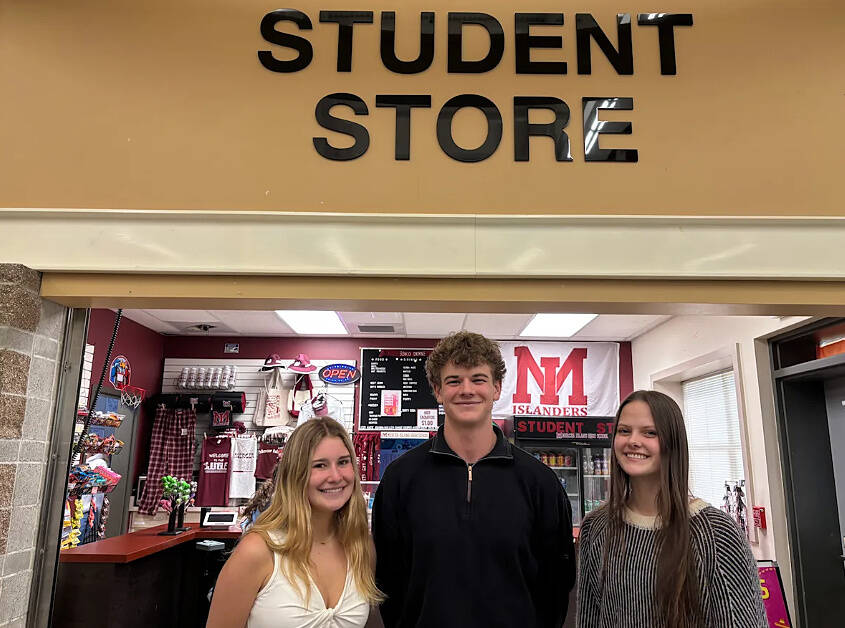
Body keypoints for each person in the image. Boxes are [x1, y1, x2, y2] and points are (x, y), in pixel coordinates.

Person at [373, 331, 576, 628]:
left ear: (496, 388)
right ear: (437, 390)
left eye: (478, 379)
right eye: (454, 380)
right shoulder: (401, 479)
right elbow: (389, 578)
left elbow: (556, 583)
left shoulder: (539, 482)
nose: (466, 390)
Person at [577, 390, 768, 628]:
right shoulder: (596, 527)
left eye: (650, 433)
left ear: (672, 443)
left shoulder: (717, 532)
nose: (633, 441)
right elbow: (588, 619)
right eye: (624, 431)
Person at [207, 417, 382, 628]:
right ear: (295, 474)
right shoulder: (258, 551)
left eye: (343, 462)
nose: (335, 476)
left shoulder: (361, 549)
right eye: (320, 465)